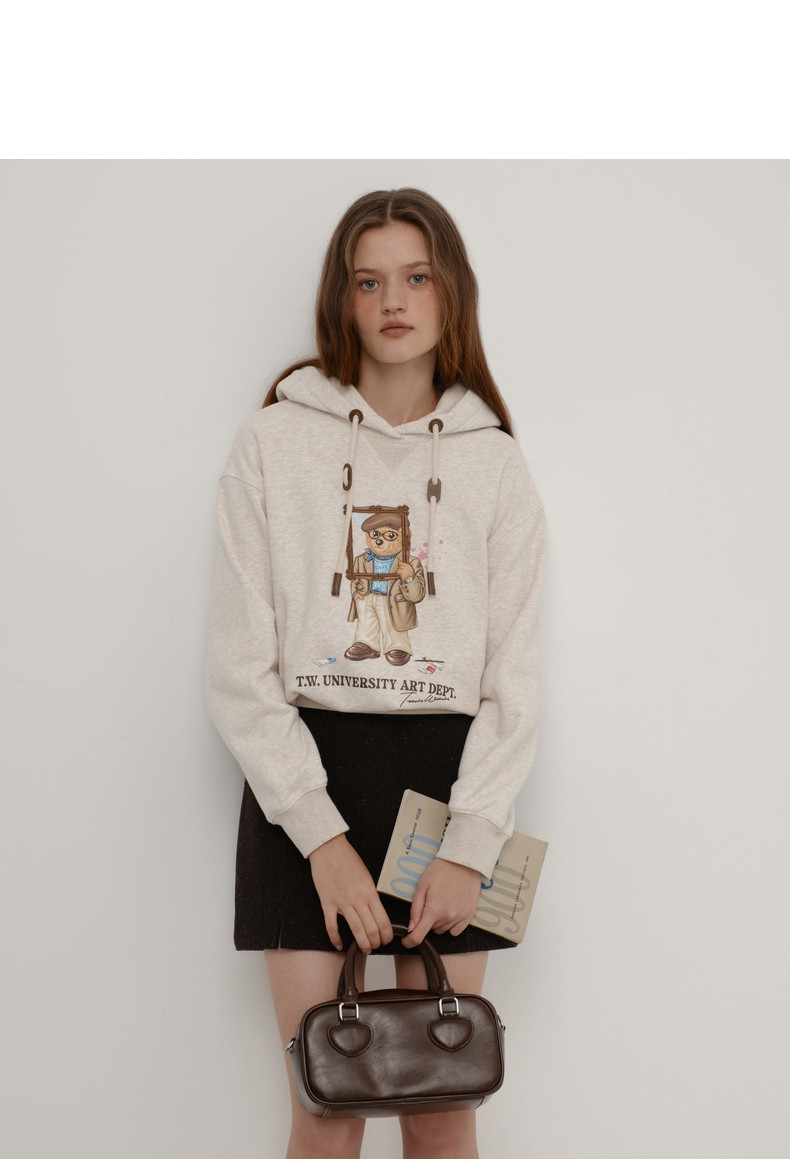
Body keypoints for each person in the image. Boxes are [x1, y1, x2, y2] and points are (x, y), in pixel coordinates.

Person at [206, 187, 546, 1159]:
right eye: (368, 280)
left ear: (450, 294)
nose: (393, 300)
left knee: (443, 1110)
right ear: (341, 299)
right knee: (327, 1110)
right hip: (302, 784)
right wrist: (322, 838)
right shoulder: (273, 443)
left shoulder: (494, 463)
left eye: (416, 277)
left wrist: (470, 846)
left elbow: (516, 683)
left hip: (450, 787)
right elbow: (238, 668)